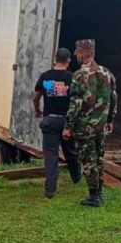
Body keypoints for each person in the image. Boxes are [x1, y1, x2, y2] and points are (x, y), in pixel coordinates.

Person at [63, 39, 117, 207]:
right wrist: (110, 120)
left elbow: (76, 103)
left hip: (85, 126)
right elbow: (113, 98)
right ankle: (99, 193)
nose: (75, 55)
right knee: (99, 159)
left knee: (88, 160)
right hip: (101, 126)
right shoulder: (107, 73)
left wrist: (67, 125)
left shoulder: (79, 75)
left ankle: (94, 196)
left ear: (82, 53)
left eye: (77, 52)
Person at [33, 47, 82, 198]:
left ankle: (50, 189)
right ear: (68, 60)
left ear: (55, 59)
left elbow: (36, 97)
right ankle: (76, 177)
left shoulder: (46, 77)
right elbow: (77, 100)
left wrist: (37, 110)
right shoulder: (72, 77)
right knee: (71, 151)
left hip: (50, 121)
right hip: (66, 122)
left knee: (51, 155)